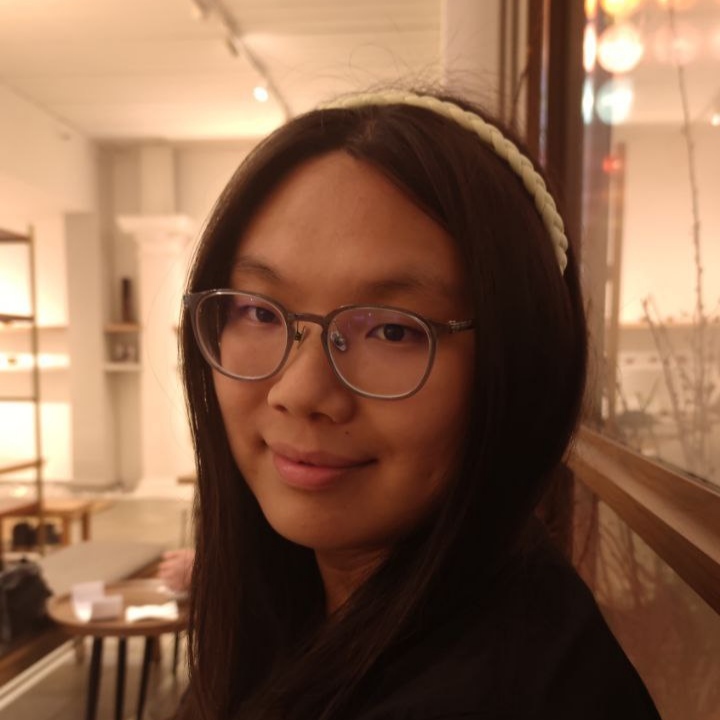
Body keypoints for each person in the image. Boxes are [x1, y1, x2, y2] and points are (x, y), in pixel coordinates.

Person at [176, 89, 662, 720]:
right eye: (259, 311)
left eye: (393, 330)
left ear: (518, 363)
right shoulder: (297, 602)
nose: (297, 392)